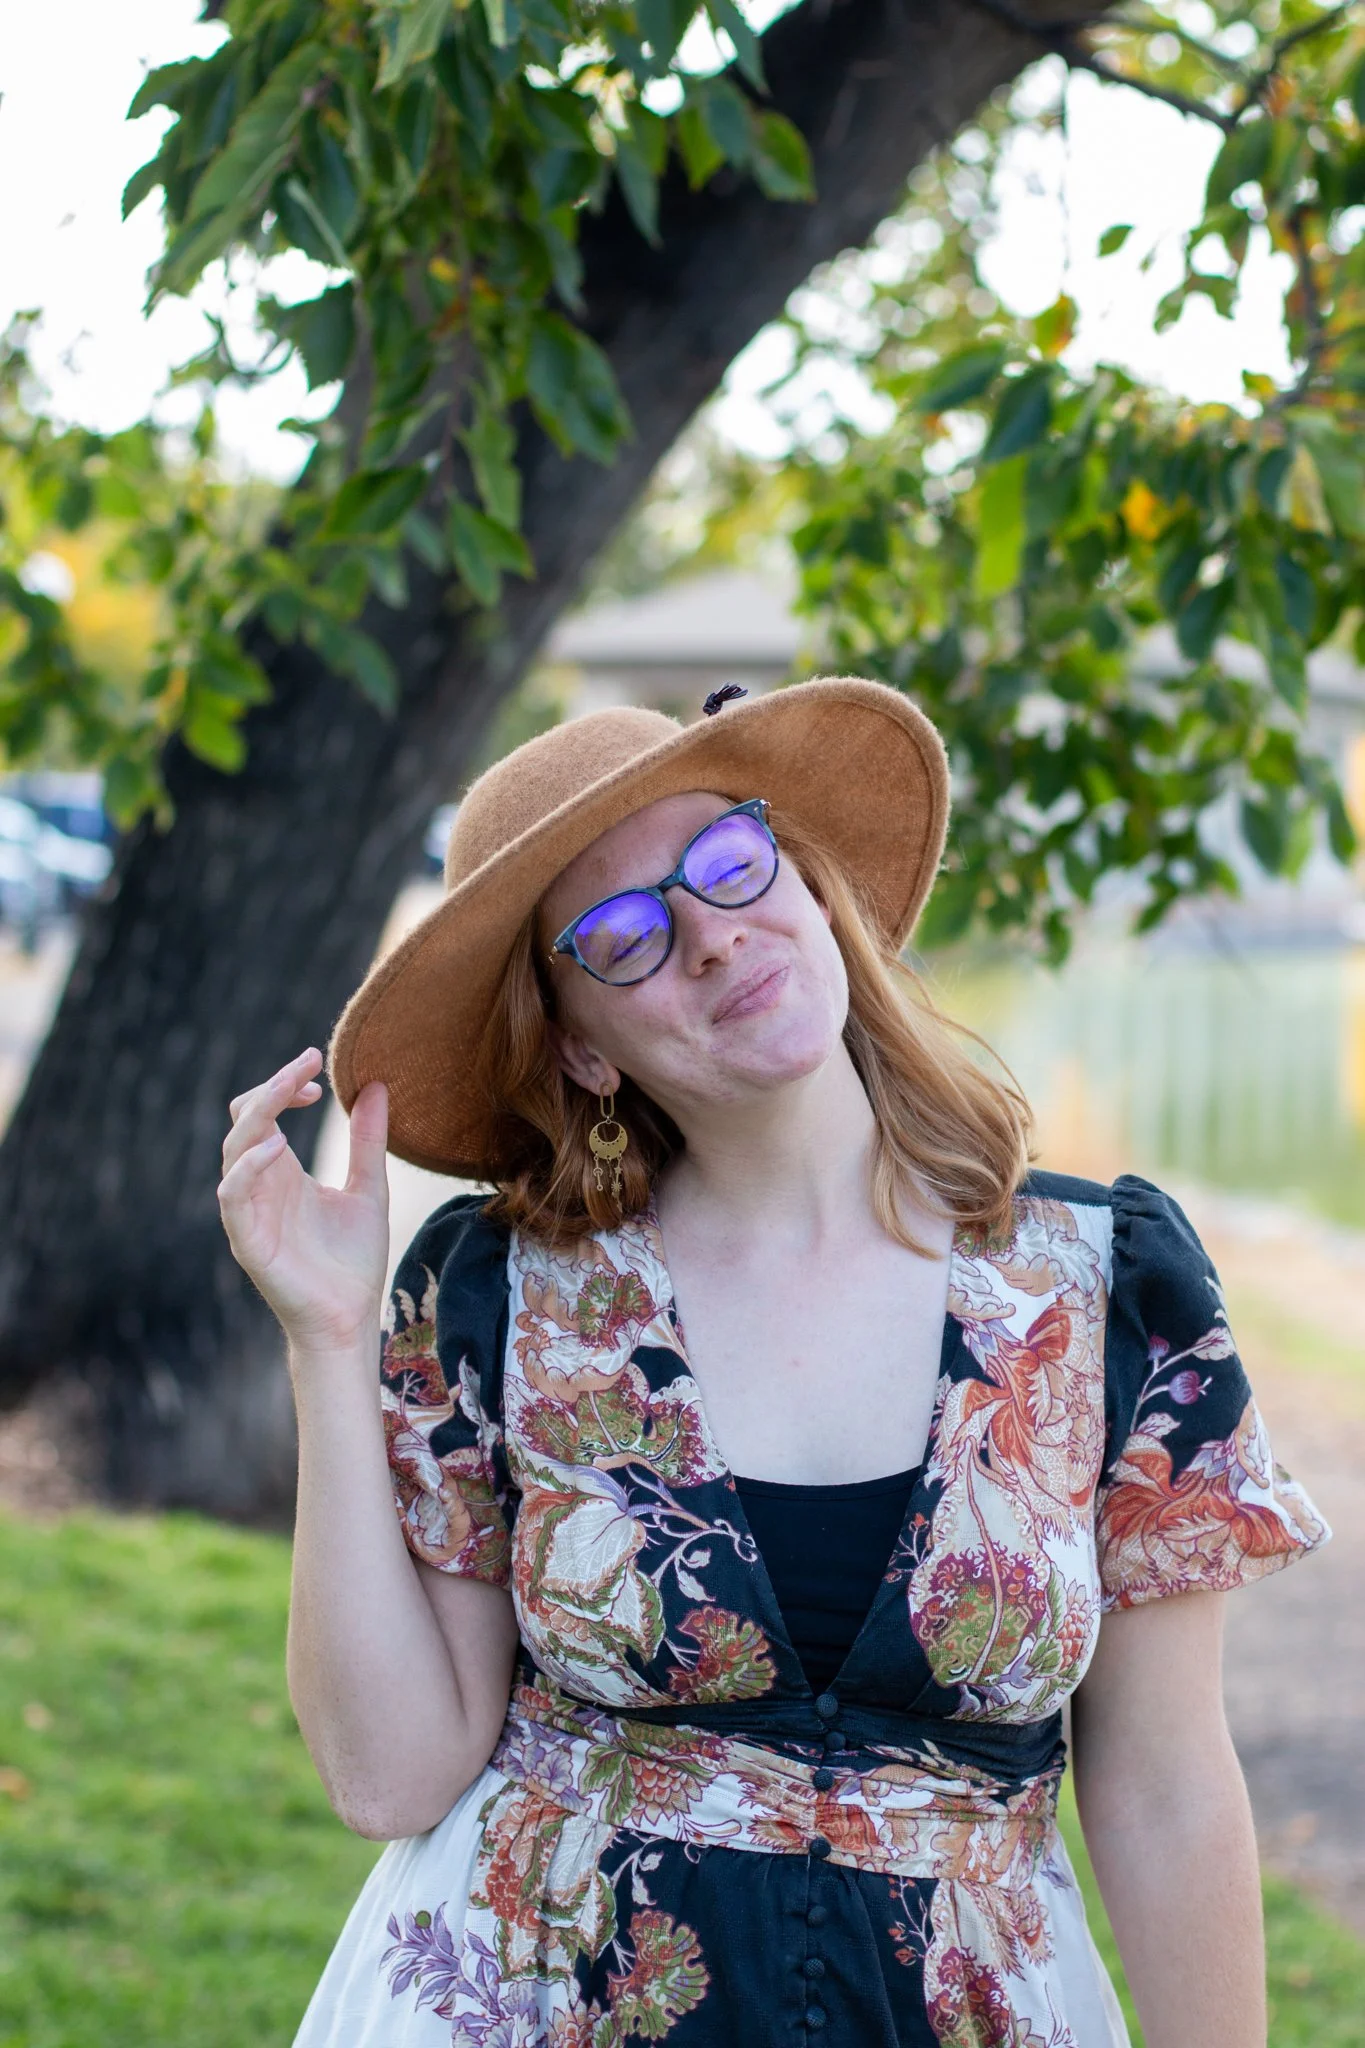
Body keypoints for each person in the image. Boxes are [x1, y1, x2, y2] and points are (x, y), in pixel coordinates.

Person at [218, 677, 1329, 2048]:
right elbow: (388, 1776)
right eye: (622, 934)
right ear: (581, 1048)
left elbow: (1165, 1786)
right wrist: (326, 1337)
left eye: (730, 862)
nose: (708, 937)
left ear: (804, 886)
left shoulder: (1108, 1287)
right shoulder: (499, 1295)